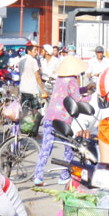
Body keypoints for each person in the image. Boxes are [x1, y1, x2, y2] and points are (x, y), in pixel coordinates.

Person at [33, 55, 87, 186]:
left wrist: (85, 89)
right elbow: (77, 99)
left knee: (46, 146)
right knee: (70, 146)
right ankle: (64, 175)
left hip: (50, 116)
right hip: (62, 119)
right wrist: (90, 97)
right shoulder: (73, 80)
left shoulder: (60, 79)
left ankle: (38, 177)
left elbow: (69, 93)